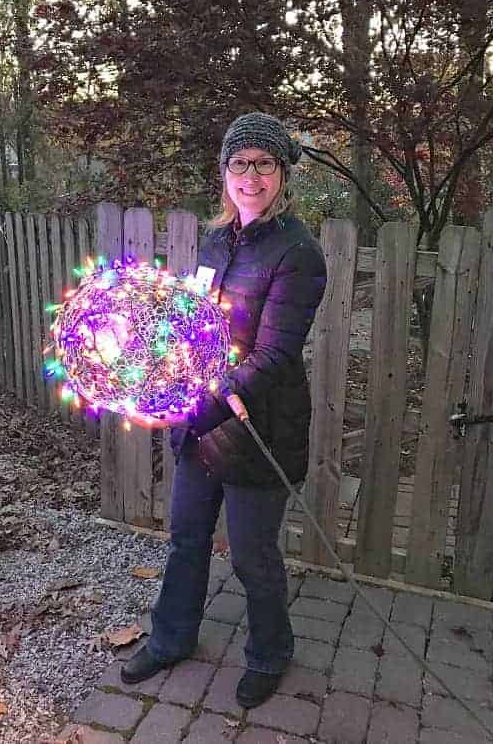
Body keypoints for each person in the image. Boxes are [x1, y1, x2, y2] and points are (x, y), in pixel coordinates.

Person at [121, 112, 327, 708]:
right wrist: (161, 368)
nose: (251, 175)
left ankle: (270, 652)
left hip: (257, 425)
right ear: (224, 171)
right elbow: (193, 325)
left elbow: (273, 353)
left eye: (264, 163)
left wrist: (195, 408)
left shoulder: (298, 252)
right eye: (240, 162)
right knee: (186, 537)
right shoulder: (215, 240)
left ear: (282, 172)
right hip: (202, 424)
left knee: (252, 556)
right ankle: (171, 637)